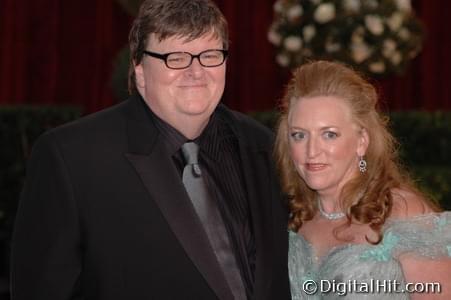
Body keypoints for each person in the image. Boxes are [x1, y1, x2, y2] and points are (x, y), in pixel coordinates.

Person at [10, 0, 291, 299]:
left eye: (209, 55)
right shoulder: (71, 158)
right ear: (140, 69)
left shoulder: (263, 146)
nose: (196, 72)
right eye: (176, 57)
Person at [274, 60, 451, 299]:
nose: (312, 150)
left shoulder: (400, 213)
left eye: (329, 134)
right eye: (299, 135)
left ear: (361, 141)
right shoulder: (289, 218)